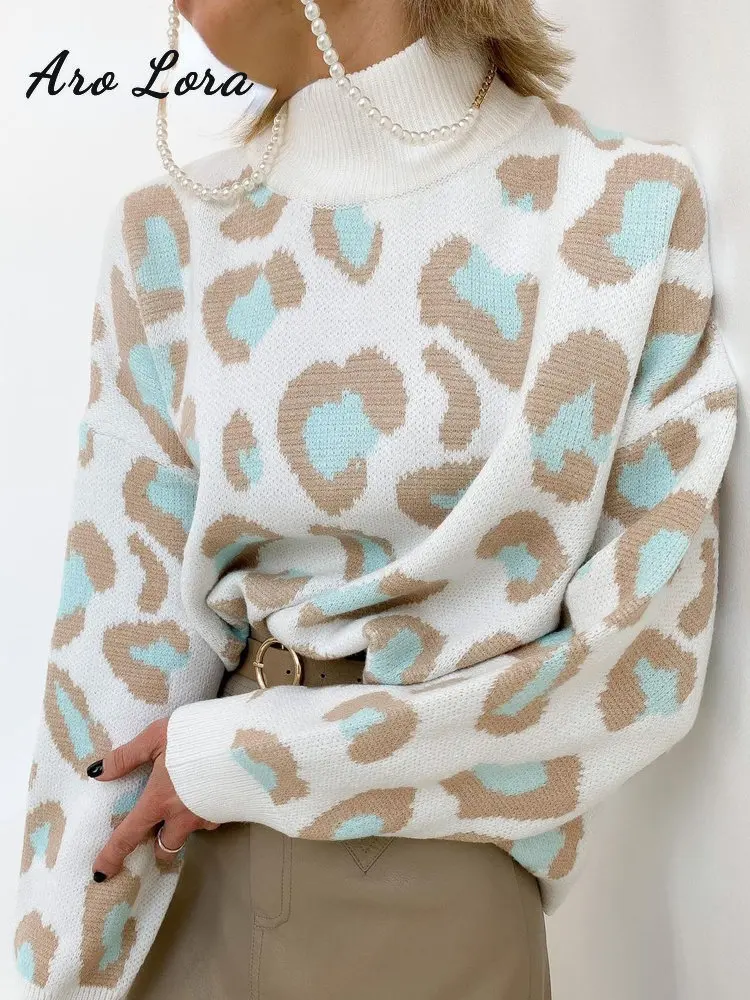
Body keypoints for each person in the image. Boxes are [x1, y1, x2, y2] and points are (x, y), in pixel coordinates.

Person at [13, 0, 738, 998]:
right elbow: (108, 660)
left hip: (431, 903)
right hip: (175, 888)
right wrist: (52, 968)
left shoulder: (620, 211)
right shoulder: (168, 236)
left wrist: (259, 754)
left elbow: (639, 670)